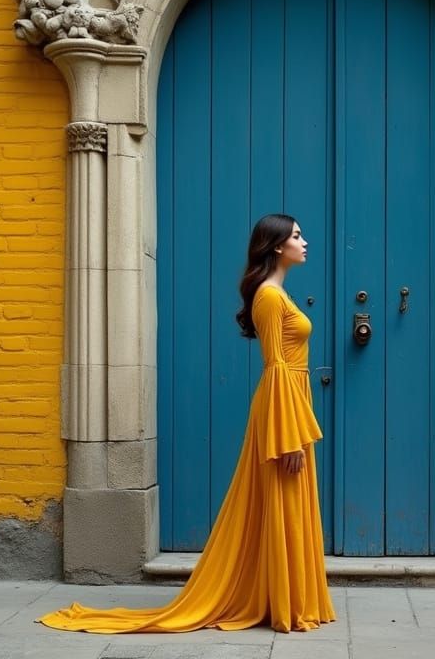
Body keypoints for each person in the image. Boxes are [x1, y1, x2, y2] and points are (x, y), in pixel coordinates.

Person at [37, 213, 335, 634]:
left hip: (291, 403)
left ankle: (285, 596)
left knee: (288, 499)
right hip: (282, 407)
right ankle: (282, 602)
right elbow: (276, 367)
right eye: (297, 236)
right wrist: (287, 437)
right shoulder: (269, 297)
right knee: (281, 496)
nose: (305, 242)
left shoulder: (279, 294)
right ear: (275, 247)